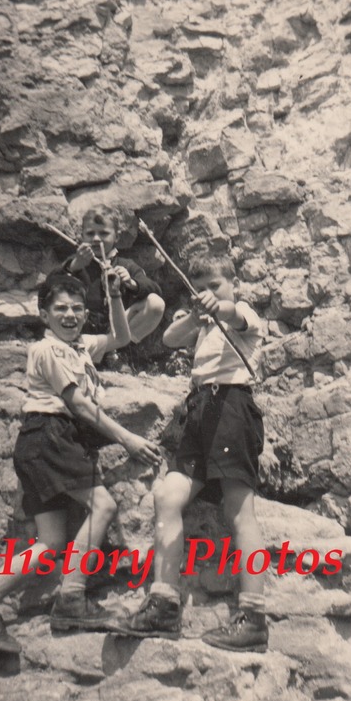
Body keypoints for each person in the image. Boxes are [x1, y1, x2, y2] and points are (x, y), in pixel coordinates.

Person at [0, 270, 160, 652]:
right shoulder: (47, 350)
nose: (70, 315)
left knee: (49, 542)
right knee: (104, 505)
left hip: (39, 444)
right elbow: (78, 403)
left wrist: (114, 296)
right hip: (50, 435)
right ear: (44, 314)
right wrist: (128, 439)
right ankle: (72, 599)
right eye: (60, 309)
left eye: (78, 309)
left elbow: (122, 336)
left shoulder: (81, 347)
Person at [120, 254, 269, 652]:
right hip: (199, 412)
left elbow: (236, 315)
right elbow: (169, 338)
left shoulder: (244, 314)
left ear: (233, 282)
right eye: (198, 287)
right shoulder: (201, 324)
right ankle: (164, 604)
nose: (206, 294)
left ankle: (253, 616)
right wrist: (196, 314)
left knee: (239, 509)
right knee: (166, 496)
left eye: (214, 285)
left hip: (232, 407)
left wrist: (217, 307)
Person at [61, 204, 165, 348]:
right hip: (83, 331)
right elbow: (52, 285)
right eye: (90, 234)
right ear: (81, 236)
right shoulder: (76, 262)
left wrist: (131, 282)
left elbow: (155, 289)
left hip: (117, 333)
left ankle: (115, 351)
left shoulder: (126, 264)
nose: (96, 239)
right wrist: (74, 267)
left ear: (117, 237)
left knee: (155, 303)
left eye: (103, 233)